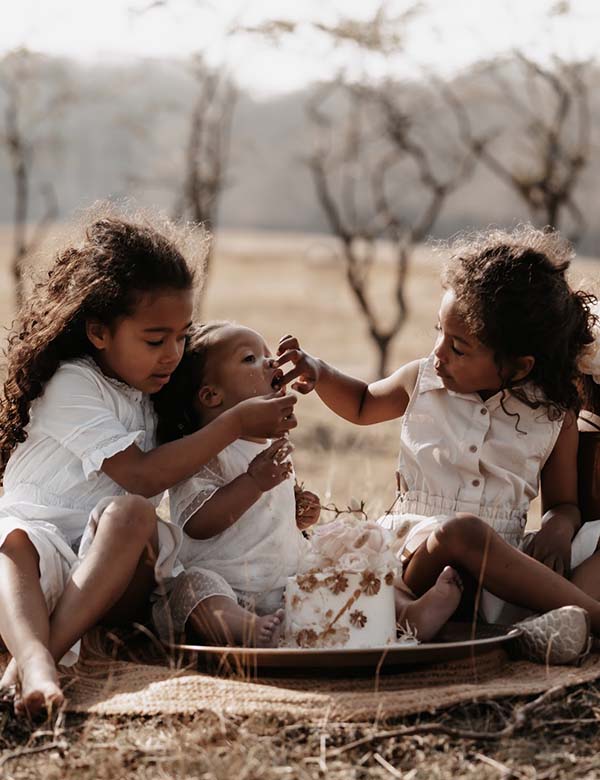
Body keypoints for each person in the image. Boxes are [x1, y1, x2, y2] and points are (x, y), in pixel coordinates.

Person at [0, 210, 297, 715]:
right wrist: (235, 423)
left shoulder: (154, 395)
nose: (172, 355)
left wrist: (264, 399)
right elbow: (140, 473)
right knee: (14, 543)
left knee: (133, 515)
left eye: (182, 337)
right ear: (99, 332)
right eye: (155, 340)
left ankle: (39, 660)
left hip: (110, 578)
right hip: (35, 556)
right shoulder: (73, 383)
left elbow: (201, 447)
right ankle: (33, 658)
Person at [275, 225, 600, 645]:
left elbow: (564, 505)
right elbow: (360, 403)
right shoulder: (422, 381)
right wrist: (319, 373)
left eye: (459, 347)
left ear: (519, 367)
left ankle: (543, 628)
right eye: (438, 333)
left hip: (502, 569)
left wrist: (558, 526)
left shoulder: (553, 415)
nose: (438, 353)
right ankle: (591, 619)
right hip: (420, 560)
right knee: (461, 532)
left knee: (595, 540)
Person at [152, 321, 464, 648]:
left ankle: (404, 618)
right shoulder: (202, 451)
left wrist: (299, 515)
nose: (271, 362)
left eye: (268, 355)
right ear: (211, 395)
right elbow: (197, 523)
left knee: (343, 570)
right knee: (194, 588)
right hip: (229, 588)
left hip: (288, 586)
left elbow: (266, 519)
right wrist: (252, 482)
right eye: (250, 359)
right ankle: (249, 630)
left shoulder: (269, 447)